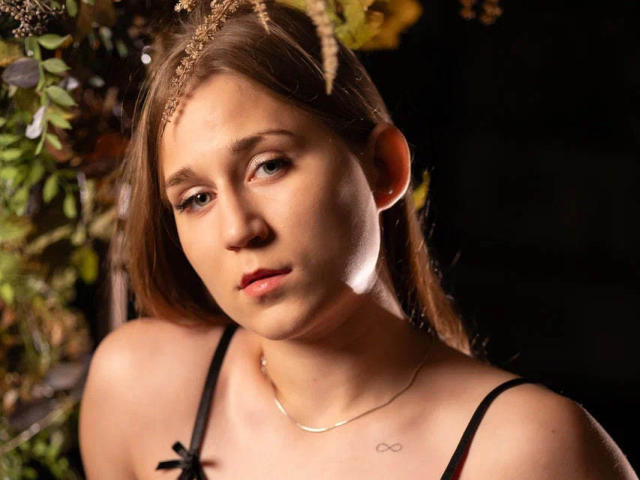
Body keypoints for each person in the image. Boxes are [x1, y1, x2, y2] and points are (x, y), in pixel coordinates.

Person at [78, 1, 638, 479]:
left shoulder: (529, 450)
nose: (239, 230)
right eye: (197, 198)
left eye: (269, 165)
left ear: (384, 167)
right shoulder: (138, 390)